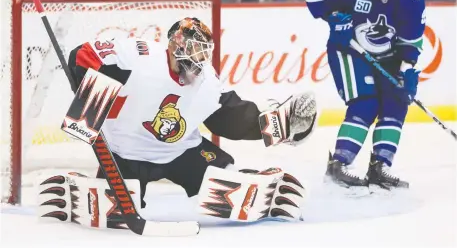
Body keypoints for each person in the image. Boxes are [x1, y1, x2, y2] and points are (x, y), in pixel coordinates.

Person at [41, 17, 317, 229]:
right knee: (114, 211)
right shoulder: (139, 55)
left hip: (182, 152)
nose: (201, 58)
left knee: (226, 183)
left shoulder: (206, 80)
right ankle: (79, 194)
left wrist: (268, 124)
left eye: (205, 51)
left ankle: (265, 165)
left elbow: (227, 118)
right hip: (125, 154)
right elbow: (83, 54)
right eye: (196, 49)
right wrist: (89, 95)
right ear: (176, 43)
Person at [306, 0, 426, 190]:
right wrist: (334, 18)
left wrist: (407, 72)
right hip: (349, 51)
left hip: (389, 56)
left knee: (396, 102)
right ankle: (338, 165)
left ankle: (379, 166)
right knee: (365, 103)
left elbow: (410, 43)